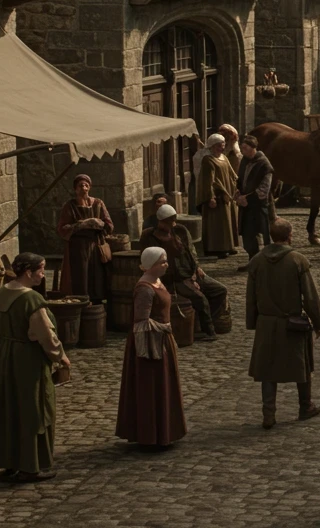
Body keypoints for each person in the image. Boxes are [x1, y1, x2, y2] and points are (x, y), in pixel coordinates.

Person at [0, 252, 70, 482]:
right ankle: (30, 466)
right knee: (33, 408)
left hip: (4, 355)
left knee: (8, 406)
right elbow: (44, 334)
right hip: (26, 359)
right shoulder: (31, 300)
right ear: (29, 272)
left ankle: (9, 460)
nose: (43, 274)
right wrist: (60, 357)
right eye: (41, 270)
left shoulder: (2, 293)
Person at [247, 217, 320, 428]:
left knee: (267, 369)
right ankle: (305, 406)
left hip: (266, 322)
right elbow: (310, 296)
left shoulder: (256, 260)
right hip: (292, 322)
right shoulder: (297, 260)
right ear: (289, 235)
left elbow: (251, 296)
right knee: (302, 363)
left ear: (272, 236)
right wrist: (318, 323)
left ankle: (268, 414)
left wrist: (253, 321)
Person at [115, 247, 187, 447]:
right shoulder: (145, 289)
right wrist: (164, 328)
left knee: (164, 384)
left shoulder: (157, 282)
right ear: (152, 265)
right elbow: (141, 322)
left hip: (162, 339)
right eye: (162, 262)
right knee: (151, 386)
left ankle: (164, 431)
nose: (166, 264)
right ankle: (150, 435)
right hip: (150, 344)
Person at [140, 205, 227, 342]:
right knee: (200, 299)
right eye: (169, 221)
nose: (173, 224)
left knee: (220, 290)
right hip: (177, 278)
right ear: (161, 221)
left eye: (173, 220)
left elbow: (191, 251)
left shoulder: (180, 231)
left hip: (191, 272)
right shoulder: (151, 237)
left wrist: (196, 269)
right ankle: (209, 331)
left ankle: (205, 322)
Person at [56, 174, 114, 301]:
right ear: (75, 189)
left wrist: (99, 223)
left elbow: (109, 225)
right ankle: (80, 301)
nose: (83, 187)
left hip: (95, 245)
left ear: (90, 187)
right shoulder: (70, 206)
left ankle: (96, 301)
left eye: (86, 185)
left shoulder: (98, 203)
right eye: (80, 185)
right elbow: (62, 228)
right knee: (80, 275)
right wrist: (81, 225)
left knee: (96, 275)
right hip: (77, 247)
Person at [197, 133, 241, 255]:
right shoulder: (208, 160)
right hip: (217, 195)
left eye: (223, 145)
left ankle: (228, 245)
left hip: (227, 194)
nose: (222, 148)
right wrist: (211, 197)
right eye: (219, 146)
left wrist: (237, 187)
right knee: (217, 223)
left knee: (228, 221)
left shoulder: (224, 158)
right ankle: (216, 248)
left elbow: (232, 174)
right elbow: (207, 181)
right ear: (212, 147)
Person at [236, 134, 275, 267]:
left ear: (253, 148)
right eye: (242, 148)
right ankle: (253, 260)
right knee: (248, 235)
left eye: (245, 148)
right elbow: (240, 180)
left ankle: (267, 262)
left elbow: (264, 189)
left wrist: (247, 199)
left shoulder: (264, 164)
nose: (242, 151)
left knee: (263, 233)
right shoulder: (245, 160)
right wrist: (239, 194)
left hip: (258, 205)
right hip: (245, 204)